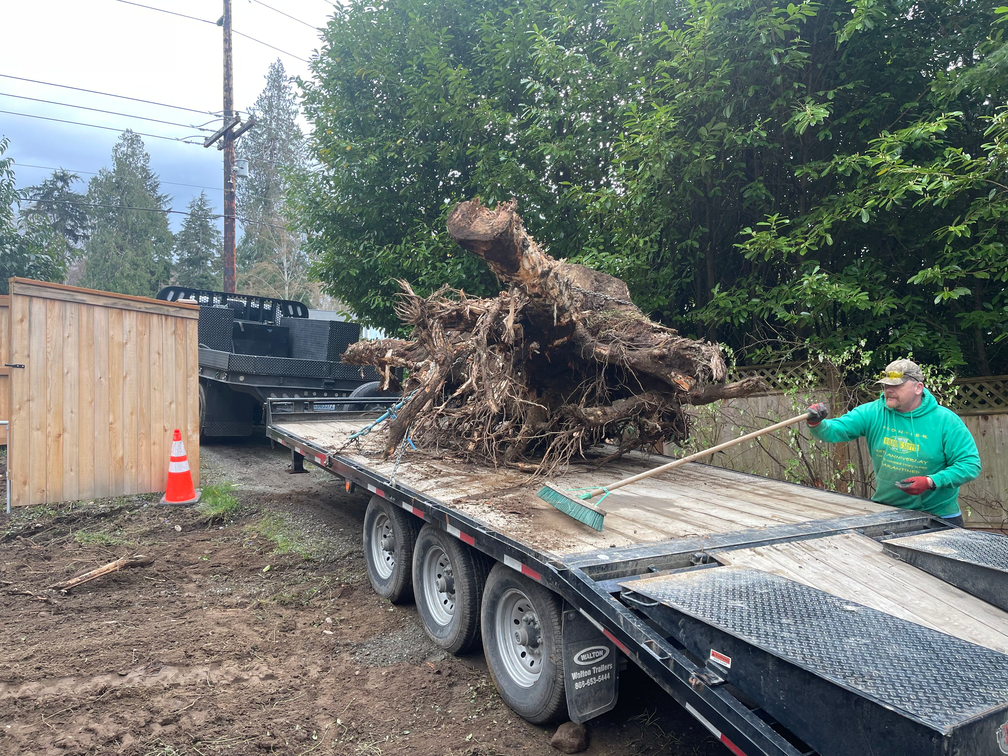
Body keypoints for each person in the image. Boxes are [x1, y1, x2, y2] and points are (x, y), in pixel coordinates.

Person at [806, 359, 980, 526]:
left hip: (939, 516)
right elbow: (834, 430)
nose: (889, 390)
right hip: (887, 513)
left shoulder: (945, 421)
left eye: (896, 385)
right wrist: (817, 422)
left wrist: (930, 482)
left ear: (918, 387)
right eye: (887, 385)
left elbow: (970, 464)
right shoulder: (873, 412)